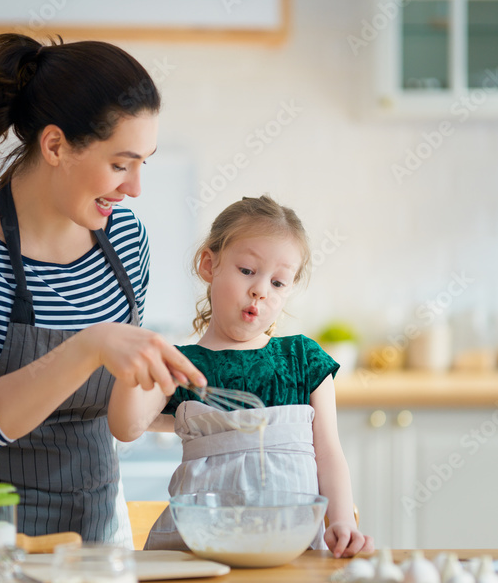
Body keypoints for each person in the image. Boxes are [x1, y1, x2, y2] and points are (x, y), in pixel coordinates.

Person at [0, 33, 205, 544]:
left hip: (93, 537)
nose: (134, 188)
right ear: (54, 145)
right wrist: (89, 346)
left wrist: (213, 412)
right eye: (119, 163)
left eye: (143, 163)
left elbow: (120, 409)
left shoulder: (126, 239)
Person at [108, 195, 373, 558]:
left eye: (278, 283)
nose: (260, 290)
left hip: (290, 551)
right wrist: (129, 358)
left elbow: (328, 452)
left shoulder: (302, 359)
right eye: (247, 270)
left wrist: (342, 521)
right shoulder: (179, 365)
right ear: (208, 264)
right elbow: (127, 427)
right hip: (198, 555)